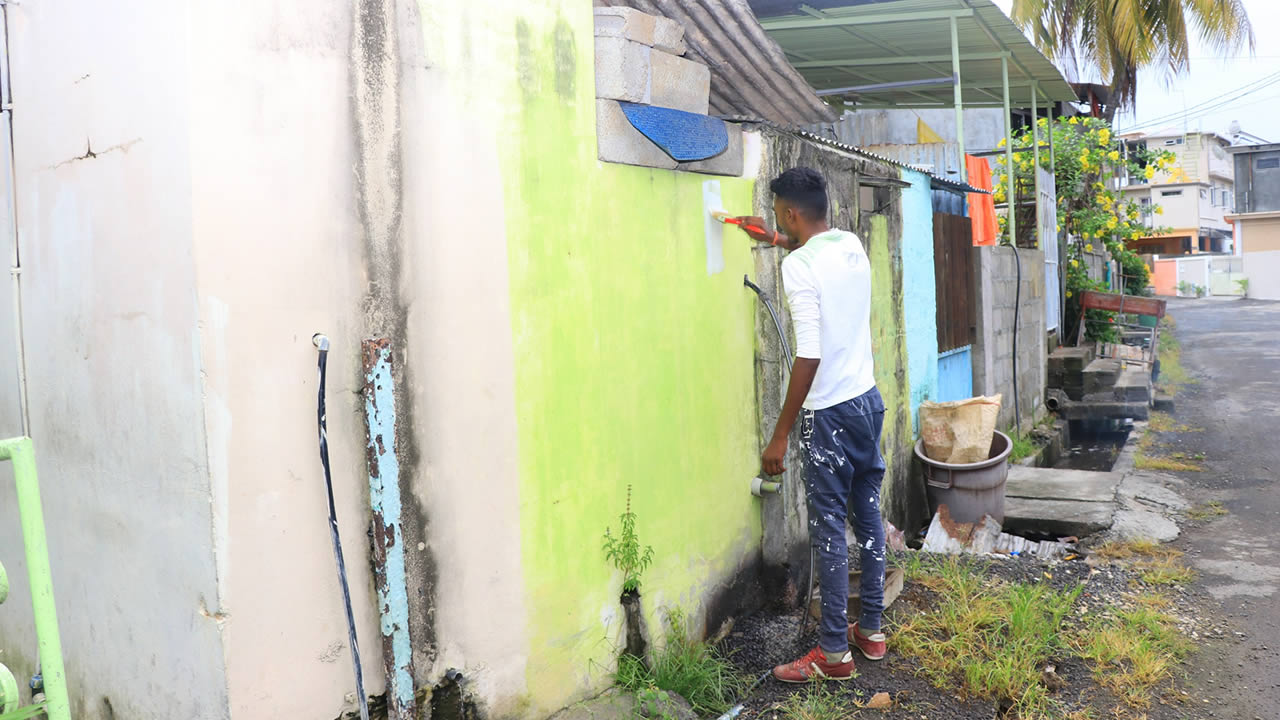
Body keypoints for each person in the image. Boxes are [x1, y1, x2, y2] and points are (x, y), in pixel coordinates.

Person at [735, 167, 888, 683]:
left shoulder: (799, 267)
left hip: (831, 417)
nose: (779, 220)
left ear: (792, 212)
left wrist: (780, 432)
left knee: (827, 532)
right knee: (867, 517)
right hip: (868, 403)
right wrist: (776, 237)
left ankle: (832, 656)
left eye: (781, 214)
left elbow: (809, 355)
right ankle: (870, 630)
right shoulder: (851, 245)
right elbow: (817, 254)